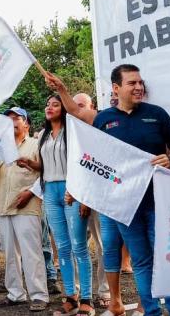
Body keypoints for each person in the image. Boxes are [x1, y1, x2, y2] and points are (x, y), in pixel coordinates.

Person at [48, 68, 170, 316]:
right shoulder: (104, 119)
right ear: (116, 88)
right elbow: (77, 113)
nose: (138, 87)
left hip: (159, 202)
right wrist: (61, 88)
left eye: (140, 82)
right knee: (142, 262)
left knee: (167, 261)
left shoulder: (156, 114)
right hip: (125, 206)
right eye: (131, 83)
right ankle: (152, 312)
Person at [29, 94, 95, 316]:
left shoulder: (74, 132)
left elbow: (84, 163)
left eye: (55, 104)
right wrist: (32, 164)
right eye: (47, 104)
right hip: (50, 191)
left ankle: (87, 298)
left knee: (79, 246)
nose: (49, 107)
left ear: (64, 109)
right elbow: (45, 166)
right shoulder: (42, 136)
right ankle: (70, 297)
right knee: (63, 248)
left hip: (71, 191)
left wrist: (82, 195)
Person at [0, 106, 49, 312]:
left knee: (31, 252)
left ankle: (39, 295)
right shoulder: (0, 147)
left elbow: (46, 172)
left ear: (26, 123)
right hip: (4, 205)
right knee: (10, 254)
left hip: (28, 205)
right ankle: (15, 294)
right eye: (8, 118)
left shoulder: (37, 144)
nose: (12, 121)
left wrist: (31, 193)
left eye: (17, 118)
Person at [72, 93, 117, 308]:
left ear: (92, 108)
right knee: (76, 245)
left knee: (103, 245)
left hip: (98, 198)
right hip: (75, 196)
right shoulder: (71, 132)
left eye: (82, 106)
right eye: (75, 106)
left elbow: (100, 168)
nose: (77, 110)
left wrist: (87, 199)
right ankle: (79, 290)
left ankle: (105, 289)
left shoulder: (101, 129)